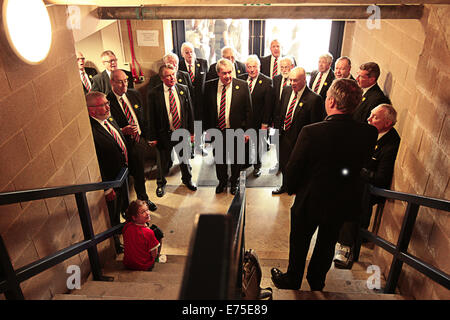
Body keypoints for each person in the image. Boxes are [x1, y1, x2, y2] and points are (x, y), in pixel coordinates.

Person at [270, 78, 378, 291]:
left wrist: (293, 188)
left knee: (300, 241)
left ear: (331, 102)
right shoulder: (369, 132)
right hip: (342, 199)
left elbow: (293, 168)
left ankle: (293, 279)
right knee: (328, 242)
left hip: (311, 198)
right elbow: (362, 164)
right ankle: (317, 279)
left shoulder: (312, 132)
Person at [334, 103, 401, 269]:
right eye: (370, 114)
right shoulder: (367, 130)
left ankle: (345, 247)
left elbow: (381, 178)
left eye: (375, 117)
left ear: (387, 123)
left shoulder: (390, 144)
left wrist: (358, 169)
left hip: (370, 188)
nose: (369, 118)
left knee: (353, 200)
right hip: (357, 179)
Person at [107, 69, 157, 212]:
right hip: (122, 147)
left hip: (138, 142)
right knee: (124, 179)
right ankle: (126, 208)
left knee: (140, 175)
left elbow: (142, 118)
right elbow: (108, 126)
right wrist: (122, 131)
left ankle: (144, 200)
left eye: (126, 81)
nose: (124, 85)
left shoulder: (134, 94)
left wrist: (147, 137)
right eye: (120, 82)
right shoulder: (107, 101)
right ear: (112, 82)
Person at [86, 91, 128, 253]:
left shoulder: (108, 118)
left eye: (107, 103)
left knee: (123, 205)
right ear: (91, 110)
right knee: (112, 215)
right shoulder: (92, 131)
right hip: (111, 181)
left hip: (122, 175)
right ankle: (116, 244)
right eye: (103, 105)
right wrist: (107, 188)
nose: (108, 106)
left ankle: (124, 229)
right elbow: (95, 161)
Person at [204, 58, 253, 195]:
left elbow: (249, 111)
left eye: (230, 72)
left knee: (237, 159)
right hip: (217, 130)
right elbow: (206, 110)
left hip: (237, 131)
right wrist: (207, 131)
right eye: (224, 73)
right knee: (219, 158)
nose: (227, 76)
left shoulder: (242, 85)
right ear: (218, 73)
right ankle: (222, 181)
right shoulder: (209, 86)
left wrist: (247, 132)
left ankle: (234, 181)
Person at [272, 67, 324, 195]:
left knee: (297, 166)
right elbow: (280, 112)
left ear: (304, 80)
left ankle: (295, 188)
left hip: (300, 140)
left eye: (295, 80)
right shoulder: (286, 90)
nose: (292, 83)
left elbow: (314, 125)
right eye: (291, 80)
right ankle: (285, 185)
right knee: (284, 163)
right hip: (284, 135)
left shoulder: (314, 99)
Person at [147, 64, 197, 198]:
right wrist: (152, 137)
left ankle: (187, 180)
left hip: (182, 132)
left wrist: (192, 132)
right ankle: (161, 183)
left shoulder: (183, 89)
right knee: (162, 163)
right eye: (168, 75)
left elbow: (190, 112)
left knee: (184, 160)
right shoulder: (154, 93)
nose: (172, 78)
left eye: (173, 74)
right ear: (162, 78)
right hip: (164, 134)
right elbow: (150, 116)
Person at [239, 55, 274, 177]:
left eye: (254, 67)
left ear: (259, 67)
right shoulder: (240, 79)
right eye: (249, 67)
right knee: (245, 143)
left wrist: (265, 124)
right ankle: (246, 162)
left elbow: (268, 105)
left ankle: (257, 166)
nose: (252, 70)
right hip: (243, 121)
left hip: (258, 121)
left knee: (258, 145)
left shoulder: (267, 81)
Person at [178, 42, 209, 156]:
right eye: (187, 52)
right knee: (188, 125)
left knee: (199, 125)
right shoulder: (179, 65)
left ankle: (199, 147)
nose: (190, 54)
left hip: (201, 102)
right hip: (186, 102)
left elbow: (208, 81)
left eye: (191, 52)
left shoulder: (203, 63)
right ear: (182, 54)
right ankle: (190, 148)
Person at [122, 200, 164, 271]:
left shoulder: (126, 227)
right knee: (159, 234)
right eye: (143, 212)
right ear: (134, 217)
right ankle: (158, 259)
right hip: (144, 266)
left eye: (147, 210)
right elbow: (154, 254)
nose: (147, 213)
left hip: (128, 264)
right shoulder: (148, 232)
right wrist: (155, 257)